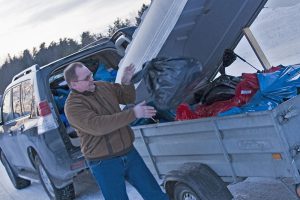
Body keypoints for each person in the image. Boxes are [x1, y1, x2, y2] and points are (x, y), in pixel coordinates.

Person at [63, 62, 169, 200]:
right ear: (74, 84)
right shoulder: (72, 107)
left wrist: (126, 82)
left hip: (129, 153)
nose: (92, 79)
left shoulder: (102, 86)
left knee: (156, 195)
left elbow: (127, 97)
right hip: (104, 163)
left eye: (91, 74)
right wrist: (133, 114)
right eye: (87, 78)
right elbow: (98, 126)